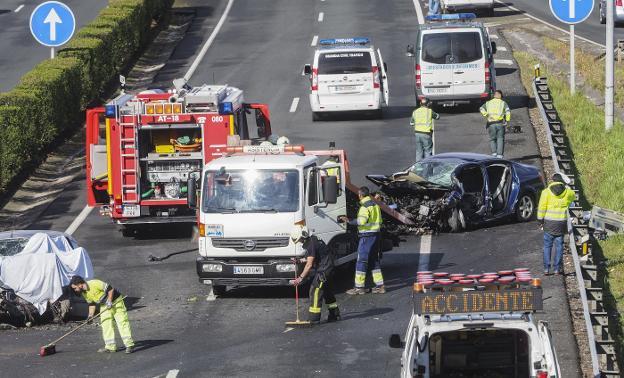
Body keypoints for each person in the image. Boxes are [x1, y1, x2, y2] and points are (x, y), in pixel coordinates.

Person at [289, 226, 341, 325]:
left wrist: (300, 278)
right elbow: (309, 258)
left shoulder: (311, 244)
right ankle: (334, 314)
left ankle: (314, 318)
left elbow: (309, 264)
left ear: (303, 236)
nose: (300, 242)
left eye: (299, 240)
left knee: (315, 290)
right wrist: (299, 261)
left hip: (324, 270)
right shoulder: (312, 240)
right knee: (327, 291)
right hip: (328, 267)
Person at [70, 276, 135, 354]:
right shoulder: (85, 294)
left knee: (122, 322)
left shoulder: (94, 283)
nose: (75, 290)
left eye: (75, 288)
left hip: (116, 301)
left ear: (79, 284)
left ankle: (129, 345)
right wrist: (90, 316)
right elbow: (91, 304)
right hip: (104, 305)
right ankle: (110, 347)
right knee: (105, 324)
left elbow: (110, 289)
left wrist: (110, 301)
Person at [339, 186, 385, 295]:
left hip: (367, 236)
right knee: (374, 260)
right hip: (376, 235)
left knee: (361, 261)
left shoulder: (365, 207)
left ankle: (359, 287)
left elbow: (361, 221)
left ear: (360, 195)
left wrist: (349, 220)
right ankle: (380, 286)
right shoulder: (375, 205)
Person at [537, 173, 576, 275]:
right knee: (559, 247)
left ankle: (546, 269)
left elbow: (541, 208)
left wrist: (540, 221)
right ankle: (556, 269)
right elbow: (573, 197)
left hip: (549, 224)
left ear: (552, 181)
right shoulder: (568, 193)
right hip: (561, 224)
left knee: (547, 246)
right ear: (562, 181)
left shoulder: (546, 192)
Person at [480, 90, 511, 158]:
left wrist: (486, 114)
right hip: (500, 123)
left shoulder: (488, 103)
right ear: (499, 95)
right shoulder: (503, 103)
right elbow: (508, 111)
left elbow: (481, 108)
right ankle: (499, 155)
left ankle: (494, 154)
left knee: (492, 139)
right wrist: (507, 120)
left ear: (494, 95)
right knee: (500, 138)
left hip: (491, 124)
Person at [411, 97, 440, 162]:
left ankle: (418, 168)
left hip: (417, 134)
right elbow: (437, 117)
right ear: (428, 104)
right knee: (427, 151)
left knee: (419, 151)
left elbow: (411, 123)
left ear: (421, 103)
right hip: (426, 134)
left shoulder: (415, 112)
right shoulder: (429, 111)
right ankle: (428, 166)